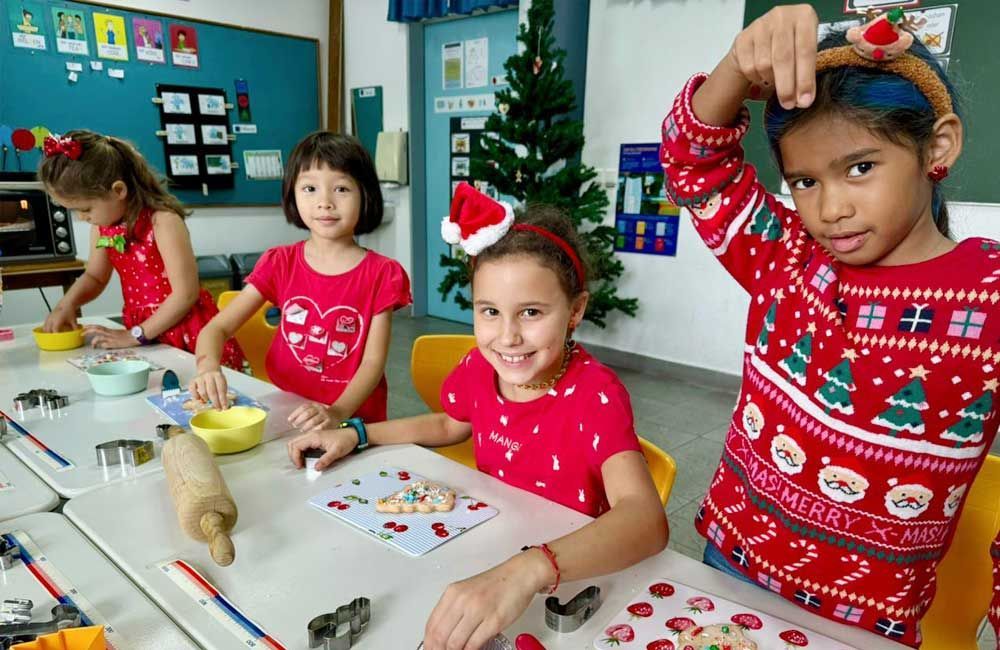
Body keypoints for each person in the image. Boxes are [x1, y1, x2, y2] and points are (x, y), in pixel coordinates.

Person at [659, 5, 999, 646]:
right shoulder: (785, 256)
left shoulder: (991, 299)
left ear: (939, 146)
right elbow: (690, 162)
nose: (831, 209)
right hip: (734, 563)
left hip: (865, 620)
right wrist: (737, 64)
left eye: (861, 167)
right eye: (804, 181)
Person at [287, 182, 669, 650]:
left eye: (530, 312)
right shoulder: (477, 366)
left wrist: (531, 568)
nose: (507, 337)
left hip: (570, 577)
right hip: (490, 554)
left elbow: (646, 522)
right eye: (490, 311)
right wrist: (357, 433)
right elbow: (448, 424)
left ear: (574, 311)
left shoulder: (596, 394)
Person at [191, 132, 410, 425]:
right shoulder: (280, 262)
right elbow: (215, 329)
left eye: (342, 189)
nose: (325, 202)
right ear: (292, 194)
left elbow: (372, 363)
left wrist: (336, 413)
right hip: (286, 409)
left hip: (352, 421)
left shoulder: (383, 273)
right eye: (309, 188)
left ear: (365, 194)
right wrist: (207, 368)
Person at [38, 131, 244, 369]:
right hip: (145, 333)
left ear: (118, 190)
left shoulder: (163, 221)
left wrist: (135, 335)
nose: (82, 218)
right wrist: (67, 304)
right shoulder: (103, 227)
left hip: (187, 332)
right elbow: (95, 276)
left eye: (85, 209)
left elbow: (185, 294)